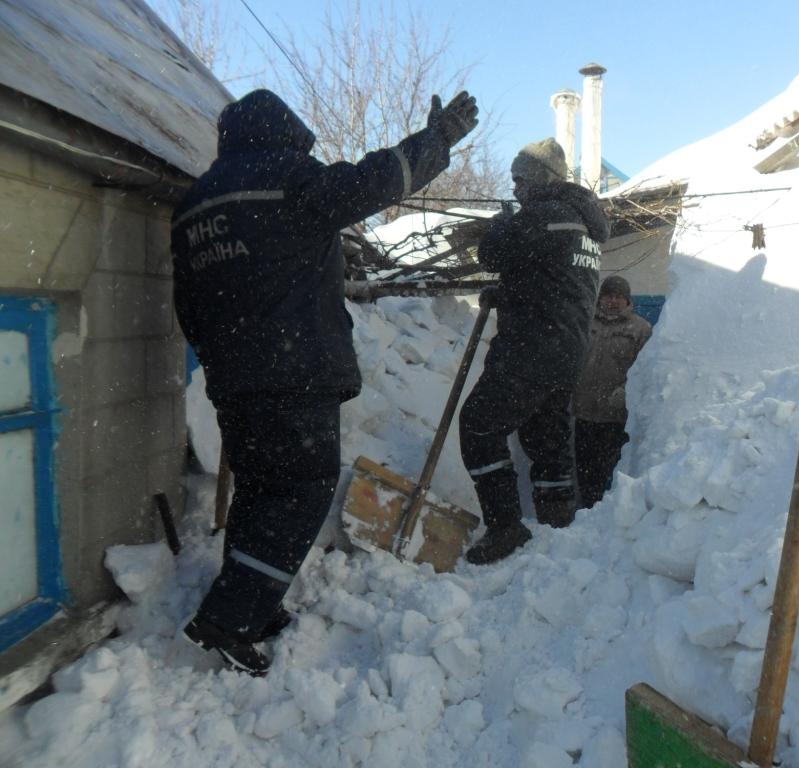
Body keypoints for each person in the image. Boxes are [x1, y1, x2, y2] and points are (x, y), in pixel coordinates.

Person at [172, 88, 478, 675]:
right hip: (293, 369)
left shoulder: (193, 205)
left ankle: (254, 607)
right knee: (302, 492)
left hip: (235, 378)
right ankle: (228, 619)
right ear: (284, 132)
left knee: (262, 490)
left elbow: (187, 300)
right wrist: (436, 141)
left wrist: (219, 358)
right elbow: (374, 181)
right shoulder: (289, 177)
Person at [459, 138, 609, 565]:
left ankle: (505, 525)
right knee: (547, 440)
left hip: (531, 347)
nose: (515, 189)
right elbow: (551, 280)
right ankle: (557, 526)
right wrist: (507, 294)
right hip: (569, 349)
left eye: (519, 179)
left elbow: (490, 254)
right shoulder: (584, 225)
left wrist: (503, 224)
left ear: (539, 180)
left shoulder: (541, 215)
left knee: (479, 426)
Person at [573, 276, 652, 509]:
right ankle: (586, 513)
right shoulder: (586, 323)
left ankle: (608, 516)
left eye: (619, 297)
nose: (613, 301)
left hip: (615, 418)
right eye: (609, 295)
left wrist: (625, 392)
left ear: (628, 301)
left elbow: (646, 370)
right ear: (600, 298)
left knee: (611, 472)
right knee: (584, 471)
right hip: (584, 413)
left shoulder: (640, 329)